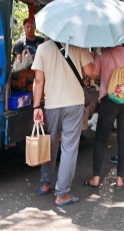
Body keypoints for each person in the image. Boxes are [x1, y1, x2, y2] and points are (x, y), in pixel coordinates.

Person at [32, 39, 95, 207]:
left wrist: (36, 106)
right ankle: (62, 194)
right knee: (69, 148)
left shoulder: (42, 48)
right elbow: (91, 72)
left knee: (51, 144)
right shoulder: (79, 45)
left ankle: (45, 184)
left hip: (52, 104)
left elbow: (38, 80)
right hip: (74, 103)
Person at [85, 43, 124, 191]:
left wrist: (85, 59)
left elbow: (93, 74)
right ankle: (120, 179)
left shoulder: (103, 55)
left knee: (100, 139)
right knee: (123, 139)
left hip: (108, 101)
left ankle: (96, 178)